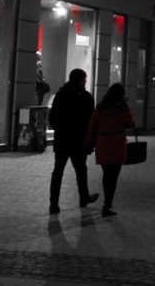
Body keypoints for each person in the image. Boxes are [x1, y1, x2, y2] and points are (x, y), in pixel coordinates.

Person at [48, 68, 99, 214]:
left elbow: (52, 119)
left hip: (62, 140)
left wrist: (60, 130)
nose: (85, 82)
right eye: (84, 80)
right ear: (81, 80)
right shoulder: (86, 98)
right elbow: (90, 122)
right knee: (81, 170)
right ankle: (83, 197)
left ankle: (54, 203)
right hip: (78, 141)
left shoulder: (60, 95)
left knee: (58, 171)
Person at [86, 83, 135, 218]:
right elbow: (131, 123)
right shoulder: (122, 109)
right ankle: (107, 204)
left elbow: (92, 128)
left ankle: (107, 204)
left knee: (106, 174)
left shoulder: (100, 109)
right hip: (117, 144)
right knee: (113, 176)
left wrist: (89, 144)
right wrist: (126, 107)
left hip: (103, 144)